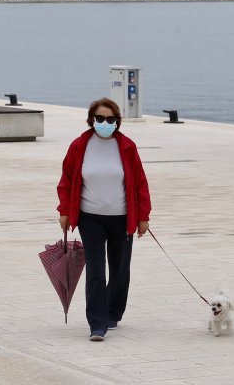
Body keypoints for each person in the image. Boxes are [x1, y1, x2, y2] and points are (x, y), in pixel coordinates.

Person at [56, 97, 152, 342]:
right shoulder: (79, 146)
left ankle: (112, 313)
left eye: (110, 119)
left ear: (117, 121)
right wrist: (64, 211)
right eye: (100, 118)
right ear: (91, 120)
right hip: (90, 218)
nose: (104, 123)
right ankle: (97, 324)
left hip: (122, 218)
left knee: (120, 270)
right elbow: (67, 180)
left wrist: (143, 217)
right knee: (96, 271)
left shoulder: (127, 146)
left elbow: (140, 183)